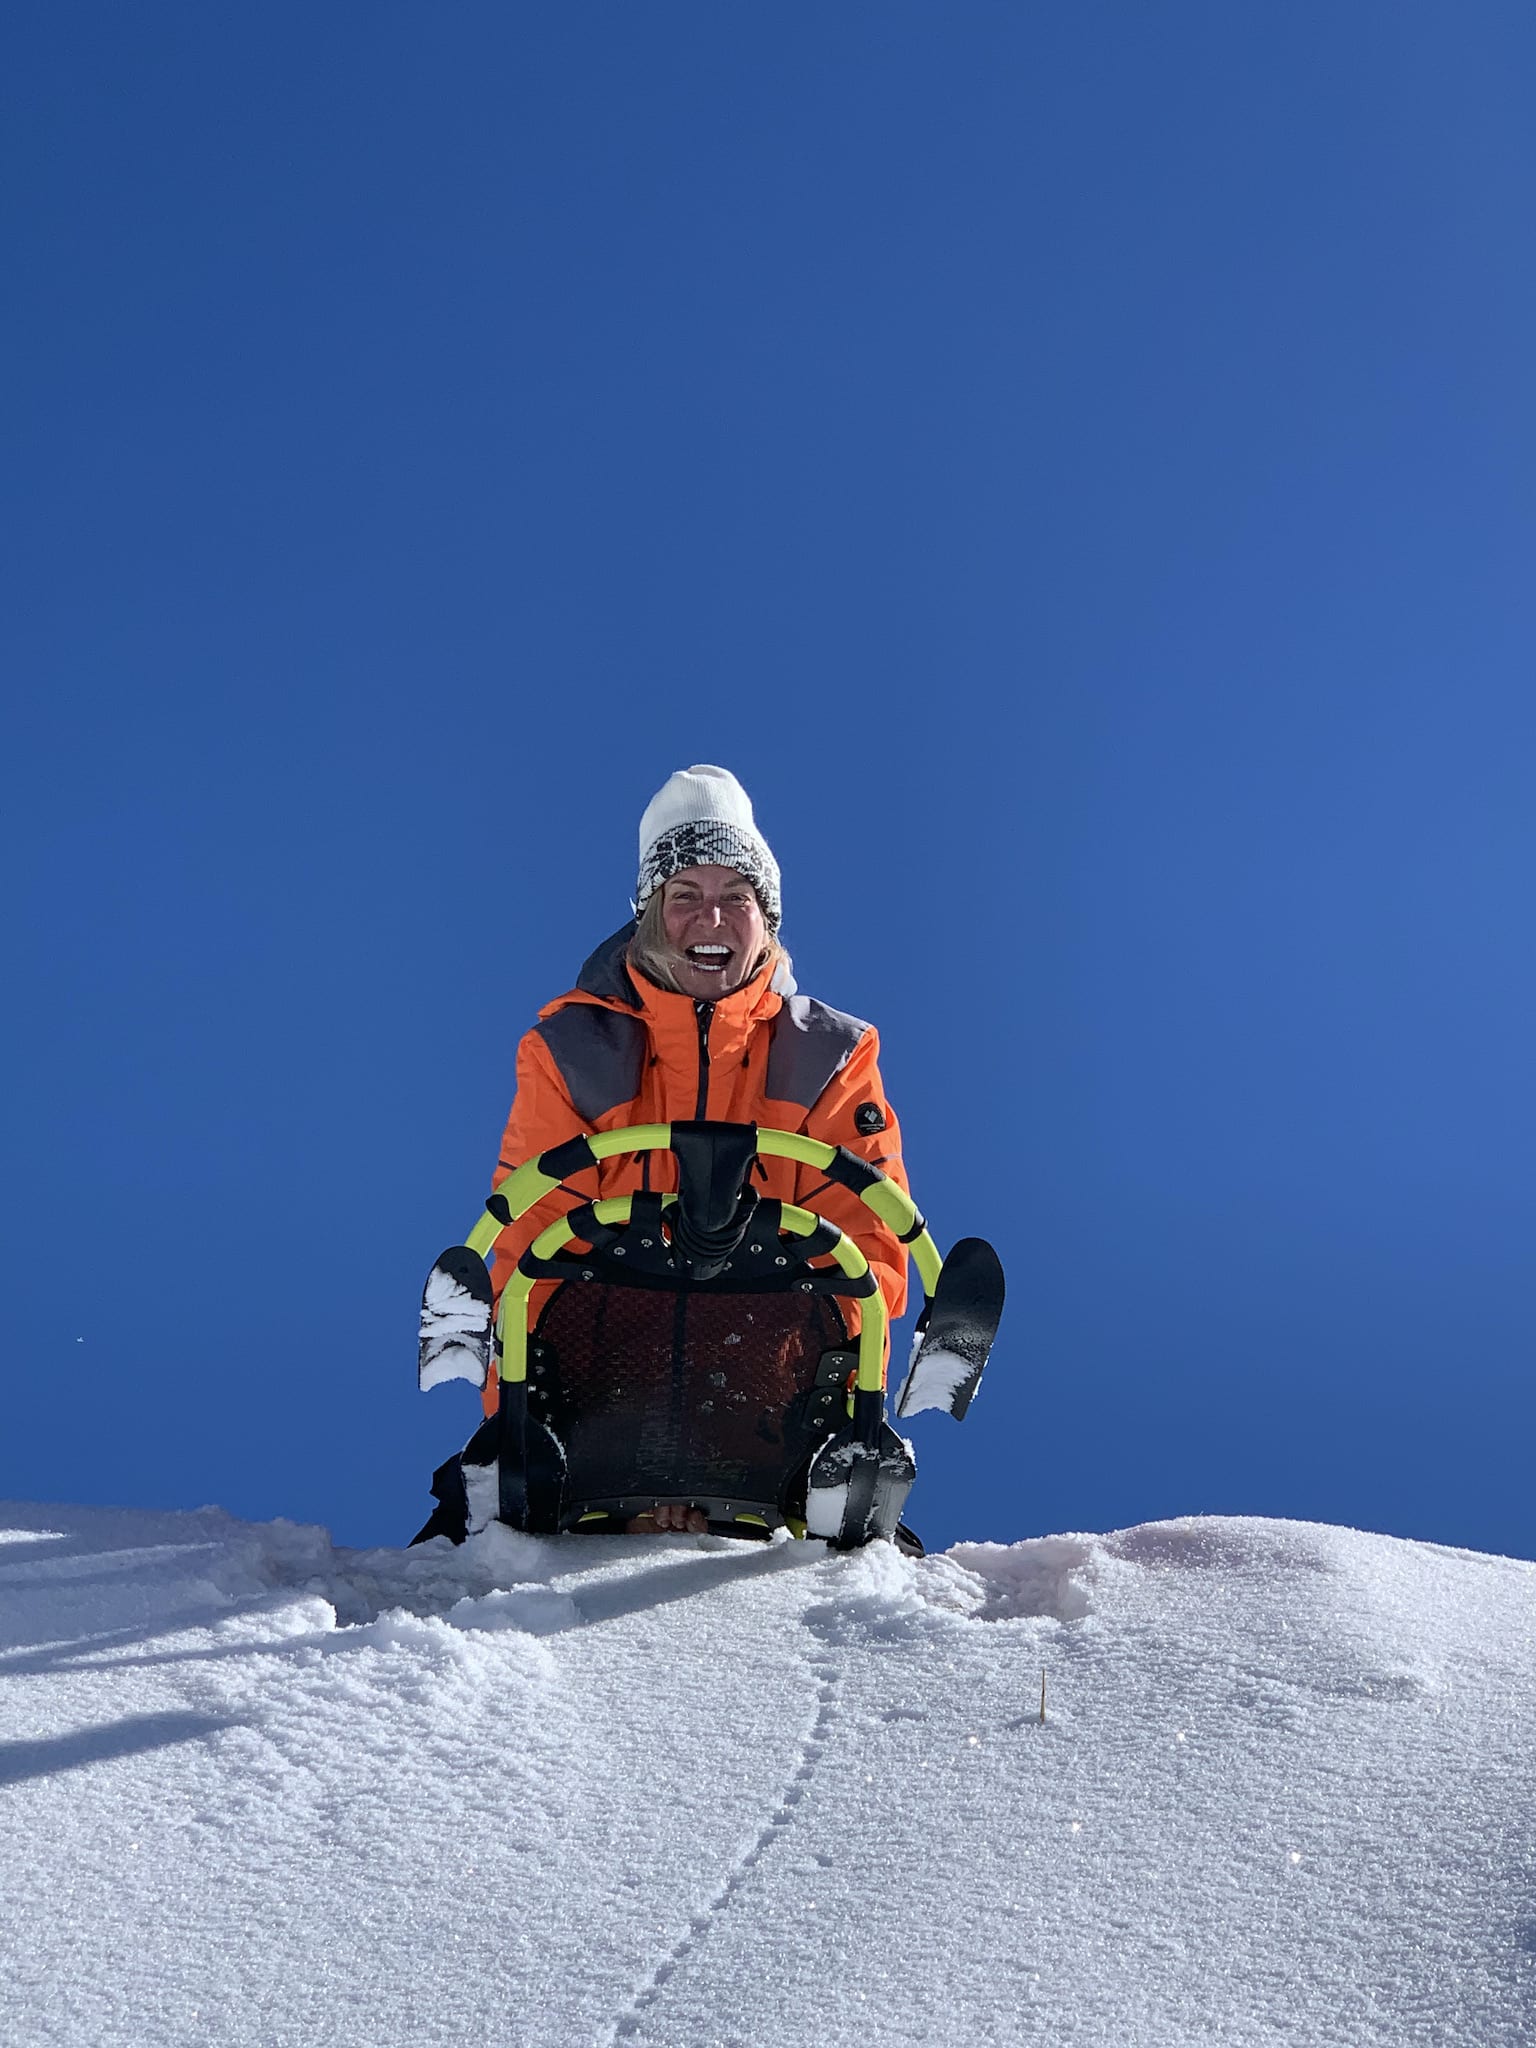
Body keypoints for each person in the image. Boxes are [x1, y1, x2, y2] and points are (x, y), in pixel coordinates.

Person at [468, 764, 911, 1537]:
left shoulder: (828, 1058)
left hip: (767, 1404)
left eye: (736, 897)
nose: (712, 916)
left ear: (766, 919)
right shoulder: (572, 1053)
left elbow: (869, 1248)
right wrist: (538, 1429)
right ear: (648, 915)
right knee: (455, 1562)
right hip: (596, 1407)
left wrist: (743, 1437)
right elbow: (523, 1249)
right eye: (685, 896)